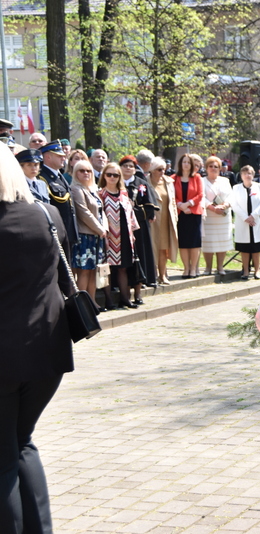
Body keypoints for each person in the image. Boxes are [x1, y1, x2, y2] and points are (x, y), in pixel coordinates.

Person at [0, 141, 74, 534]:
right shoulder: (48, 216)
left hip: (5, 357)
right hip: (47, 350)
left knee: (4, 453)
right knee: (22, 440)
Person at [98, 162, 140, 309]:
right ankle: (108, 299)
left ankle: (125, 298)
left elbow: (131, 214)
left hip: (125, 235)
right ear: (104, 176)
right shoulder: (101, 194)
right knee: (108, 268)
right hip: (109, 236)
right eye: (109, 174)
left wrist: (133, 233)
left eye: (115, 175)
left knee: (123, 268)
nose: (112, 177)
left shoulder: (124, 193)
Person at [70, 160, 107, 310]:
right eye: (81, 171)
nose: (86, 173)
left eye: (88, 171)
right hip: (85, 236)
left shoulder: (92, 189)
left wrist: (104, 228)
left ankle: (92, 302)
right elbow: (84, 213)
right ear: (75, 173)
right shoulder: (76, 189)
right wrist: (100, 229)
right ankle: (82, 305)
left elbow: (101, 211)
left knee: (93, 271)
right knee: (84, 271)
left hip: (97, 236)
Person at [120, 155, 158, 300]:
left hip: (139, 227)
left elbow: (149, 207)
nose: (128, 169)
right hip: (121, 226)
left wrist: (132, 211)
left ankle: (139, 288)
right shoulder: (116, 182)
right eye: (125, 166)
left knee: (140, 256)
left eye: (131, 166)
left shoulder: (141, 184)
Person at [38, 141, 79, 253]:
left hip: (67, 230)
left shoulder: (59, 175)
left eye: (63, 156)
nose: (63, 158)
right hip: (56, 232)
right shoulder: (42, 178)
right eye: (59, 156)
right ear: (47, 157)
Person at [230, 165, 260, 279]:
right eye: (245, 173)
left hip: (255, 221)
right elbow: (234, 204)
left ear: (253, 175)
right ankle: (245, 270)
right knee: (244, 248)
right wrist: (245, 217)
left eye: (250, 173)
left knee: (256, 248)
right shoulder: (236, 188)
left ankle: (257, 270)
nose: (247, 175)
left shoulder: (259, 187)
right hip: (243, 222)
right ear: (241, 176)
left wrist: (253, 216)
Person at [173, 153, 204, 278]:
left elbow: (200, 194)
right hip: (180, 213)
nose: (186, 164)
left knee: (194, 243)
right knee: (183, 242)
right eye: (184, 162)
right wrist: (180, 205)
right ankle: (186, 268)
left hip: (193, 213)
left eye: (188, 162)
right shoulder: (174, 178)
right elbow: (171, 195)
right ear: (180, 164)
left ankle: (193, 268)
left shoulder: (197, 177)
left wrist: (189, 204)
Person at [148, 157, 179, 285]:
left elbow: (173, 201)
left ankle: (163, 275)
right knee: (152, 247)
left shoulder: (168, 182)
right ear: (152, 170)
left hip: (167, 219)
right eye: (159, 169)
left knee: (163, 248)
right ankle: (152, 275)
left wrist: (175, 216)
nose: (162, 172)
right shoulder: (145, 182)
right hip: (152, 220)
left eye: (164, 169)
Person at [201, 156, 233, 275]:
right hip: (208, 216)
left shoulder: (225, 181)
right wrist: (211, 207)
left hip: (223, 217)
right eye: (211, 166)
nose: (213, 168)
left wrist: (224, 205)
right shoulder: (201, 181)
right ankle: (208, 268)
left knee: (221, 241)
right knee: (208, 242)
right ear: (206, 168)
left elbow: (231, 196)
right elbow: (201, 197)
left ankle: (220, 267)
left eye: (216, 166)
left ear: (220, 168)